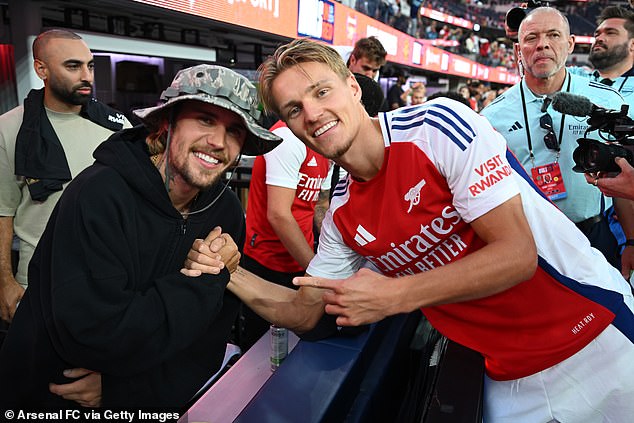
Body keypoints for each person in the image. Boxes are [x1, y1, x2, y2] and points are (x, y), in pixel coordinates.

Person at [190, 38, 634, 422]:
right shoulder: (342, 214)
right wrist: (230, 272)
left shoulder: (436, 127)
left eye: (321, 91)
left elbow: (517, 255)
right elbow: (307, 311)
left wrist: (394, 295)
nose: (313, 113)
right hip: (505, 374)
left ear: (352, 87)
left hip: (596, 336)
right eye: (294, 108)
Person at [0, 64, 281, 407]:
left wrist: (127, 389)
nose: (219, 142)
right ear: (166, 123)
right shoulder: (98, 195)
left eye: (235, 131)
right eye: (204, 119)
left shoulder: (225, 212)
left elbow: (208, 342)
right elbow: (92, 335)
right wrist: (203, 282)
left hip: (153, 399)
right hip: (53, 397)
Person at [480, 7, 634, 275]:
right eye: (531, 38)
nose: (543, 45)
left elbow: (622, 177)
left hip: (595, 236)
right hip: (531, 243)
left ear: (570, 43)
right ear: (518, 50)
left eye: (553, 35)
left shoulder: (607, 101)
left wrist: (631, 240)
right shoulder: (491, 118)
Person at [0, 29, 130, 325]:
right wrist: (4, 282)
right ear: (41, 69)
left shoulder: (116, 125)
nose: (87, 75)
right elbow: (2, 212)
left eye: (90, 65)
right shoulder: (9, 130)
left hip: (109, 280)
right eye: (73, 66)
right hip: (38, 283)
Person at [239, 118, 332, 350]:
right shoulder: (287, 138)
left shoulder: (323, 143)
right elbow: (279, 215)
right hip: (267, 262)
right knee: (260, 352)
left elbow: (320, 204)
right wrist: (317, 271)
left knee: (298, 349)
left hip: (301, 260)